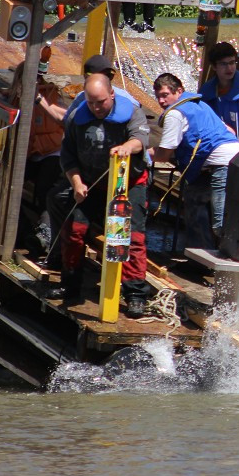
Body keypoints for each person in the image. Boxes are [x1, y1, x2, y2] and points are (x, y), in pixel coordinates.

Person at [46, 74, 152, 317]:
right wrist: (76, 183)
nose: (96, 108)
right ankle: (70, 284)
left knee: (131, 237)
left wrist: (128, 147)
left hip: (128, 184)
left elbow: (141, 139)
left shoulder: (131, 113)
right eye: (91, 103)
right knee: (74, 231)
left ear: (111, 95)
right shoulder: (77, 117)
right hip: (91, 184)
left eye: (101, 102)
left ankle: (135, 293)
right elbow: (67, 156)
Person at [149, 73, 239, 249]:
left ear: (179, 92)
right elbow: (229, 130)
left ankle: (225, 262)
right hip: (236, 157)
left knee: (219, 222)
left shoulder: (175, 113)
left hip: (222, 164)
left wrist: (142, 153)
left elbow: (164, 154)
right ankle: (199, 255)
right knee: (194, 198)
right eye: (158, 96)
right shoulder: (200, 105)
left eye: (165, 95)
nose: (161, 101)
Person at [8, 60, 66, 257]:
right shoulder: (15, 99)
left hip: (52, 151)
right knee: (9, 185)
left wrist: (39, 98)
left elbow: (63, 125)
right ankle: (23, 229)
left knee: (44, 188)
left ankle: (46, 232)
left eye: (38, 77)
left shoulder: (51, 95)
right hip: (30, 153)